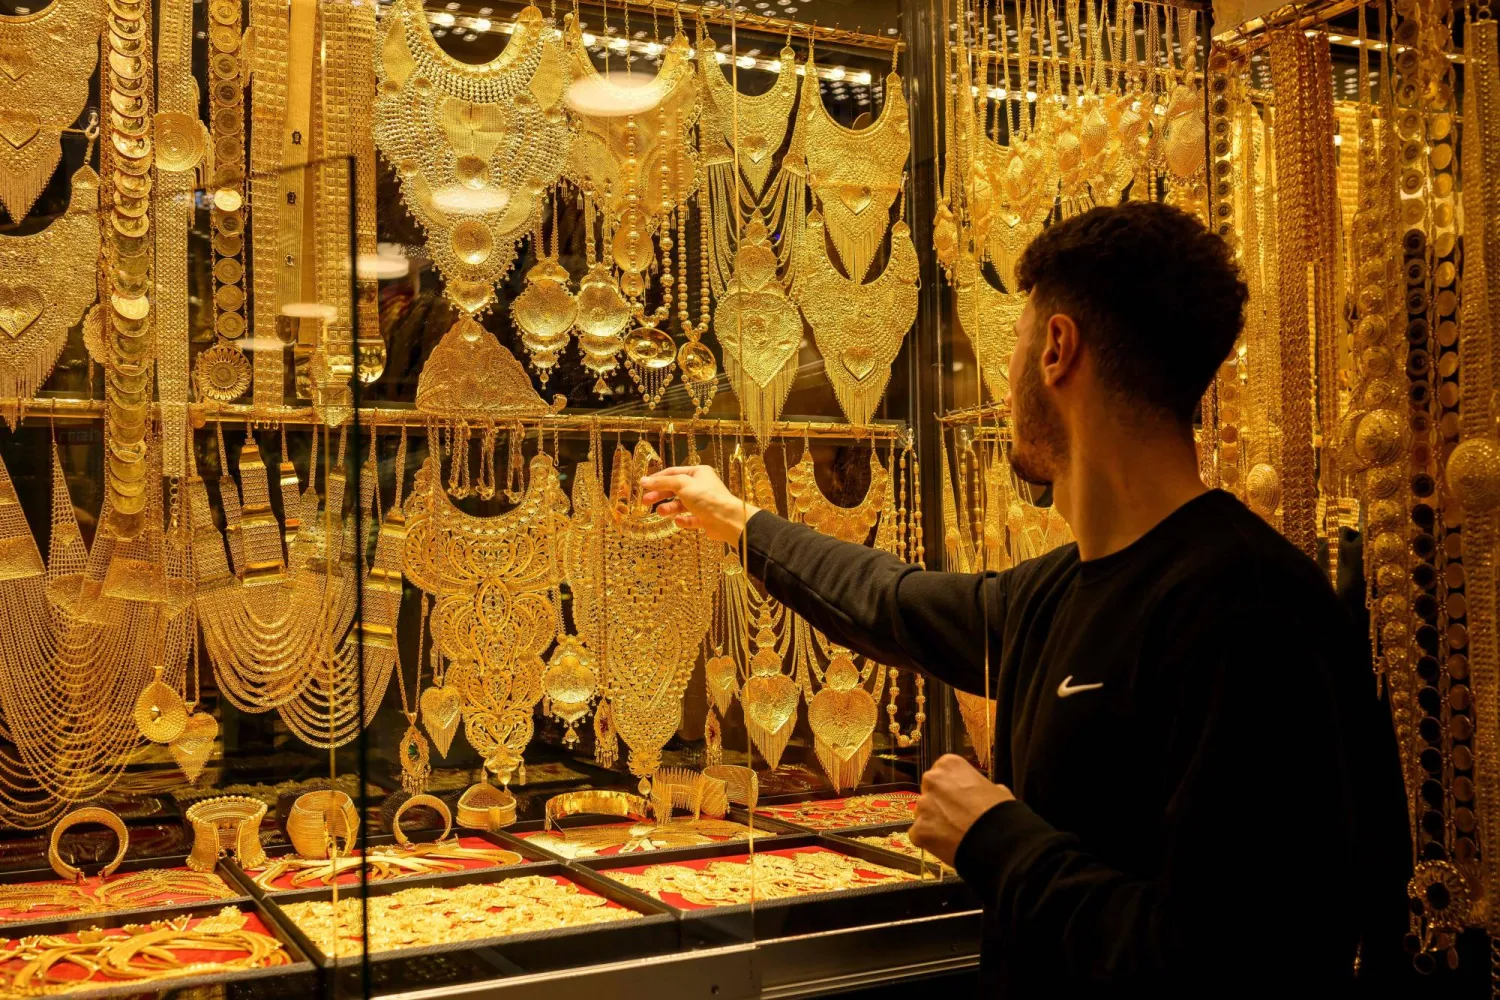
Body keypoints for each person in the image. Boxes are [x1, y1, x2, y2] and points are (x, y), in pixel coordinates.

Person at [641, 202, 1412, 996]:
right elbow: (891, 601)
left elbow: (1229, 963)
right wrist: (741, 522)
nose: (1002, 379)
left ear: (1056, 349)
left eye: (1009, 342)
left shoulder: (1248, 610)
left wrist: (993, 837)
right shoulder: (1056, 589)